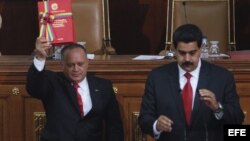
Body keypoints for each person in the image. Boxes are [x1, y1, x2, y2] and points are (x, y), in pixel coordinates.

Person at [138, 24, 244, 141]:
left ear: (201, 49)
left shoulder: (222, 77)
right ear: (174, 50)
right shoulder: (157, 78)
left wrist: (217, 108)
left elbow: (237, 118)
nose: (187, 59)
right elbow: (144, 118)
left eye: (192, 53)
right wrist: (156, 125)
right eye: (182, 53)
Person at [26, 38, 124, 141]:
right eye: (70, 65)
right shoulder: (52, 82)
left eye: (80, 64)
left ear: (87, 63)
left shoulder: (103, 86)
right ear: (62, 65)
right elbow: (34, 87)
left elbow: (114, 125)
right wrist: (40, 58)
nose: (76, 69)